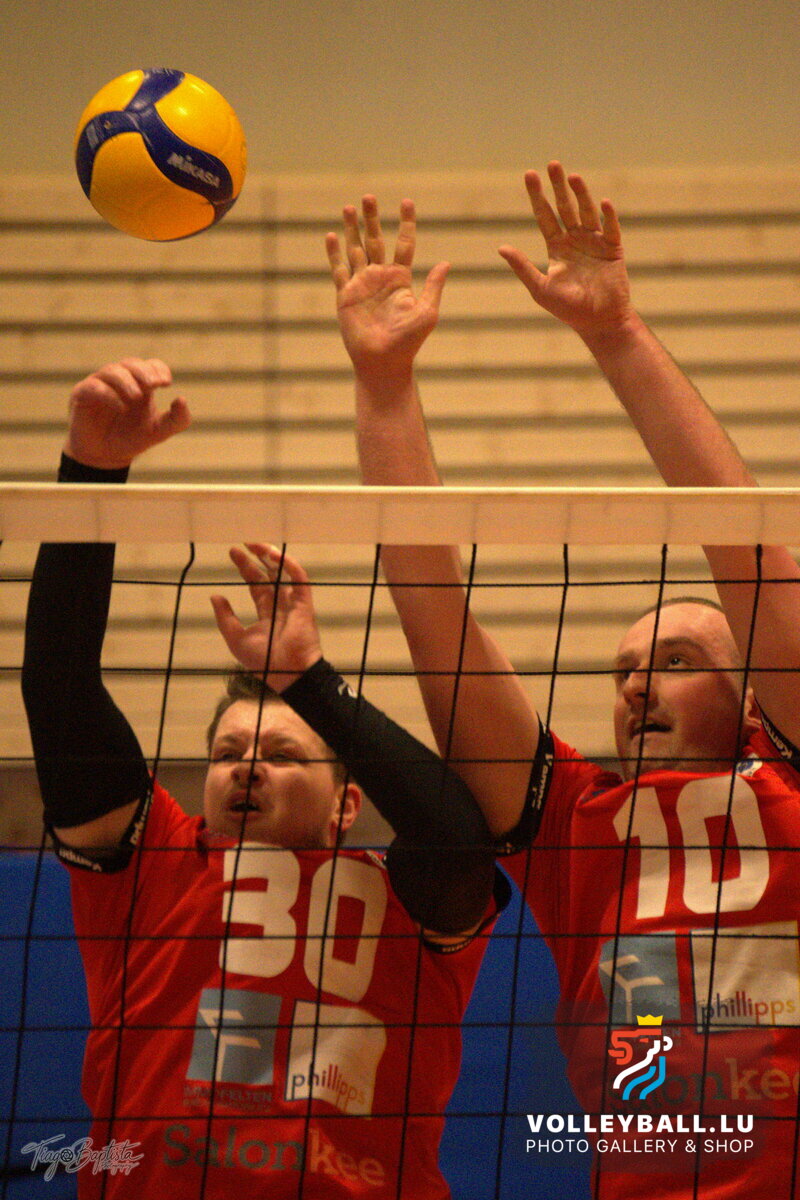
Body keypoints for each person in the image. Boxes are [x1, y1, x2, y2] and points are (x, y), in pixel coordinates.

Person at [326, 169, 800, 1198]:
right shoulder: (574, 824)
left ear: (755, 698)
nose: (635, 685)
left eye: (676, 662)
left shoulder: (792, 779)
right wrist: (383, 386)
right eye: (623, 669)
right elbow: (434, 618)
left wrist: (616, 334)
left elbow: (748, 548)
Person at [21, 357, 509, 1199]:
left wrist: (308, 681)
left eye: (281, 755)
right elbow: (58, 687)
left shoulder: (404, 898)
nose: (246, 765)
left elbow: (458, 837)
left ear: (348, 805)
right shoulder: (155, 865)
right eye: (227, 754)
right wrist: (91, 475)